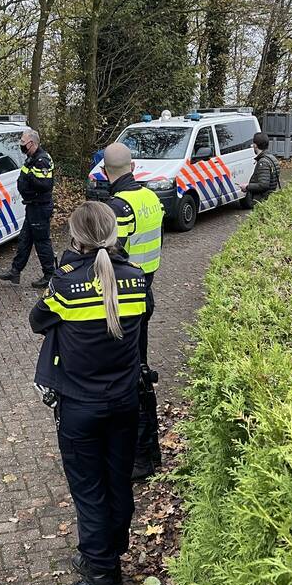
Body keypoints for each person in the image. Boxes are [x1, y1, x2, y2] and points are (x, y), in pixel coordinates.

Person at [31, 202, 148, 585]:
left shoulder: (64, 284)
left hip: (81, 405)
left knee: (89, 491)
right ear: (115, 234)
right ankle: (108, 552)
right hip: (126, 401)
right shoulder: (137, 278)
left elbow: (37, 321)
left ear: (76, 237)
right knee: (118, 482)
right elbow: (144, 315)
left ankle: (100, 578)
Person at [100, 142, 164, 482]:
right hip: (147, 290)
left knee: (130, 374)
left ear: (105, 171)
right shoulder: (150, 198)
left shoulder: (119, 206)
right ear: (133, 165)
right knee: (138, 368)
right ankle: (147, 448)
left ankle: (140, 454)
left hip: (126, 300)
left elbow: (114, 258)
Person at [0, 128, 55, 288]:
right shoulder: (31, 158)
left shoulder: (42, 160)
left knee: (42, 242)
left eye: (23, 142)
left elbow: (45, 185)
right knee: (24, 240)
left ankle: (50, 275)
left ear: (32, 143)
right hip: (32, 207)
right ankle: (15, 271)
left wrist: (29, 178)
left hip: (40, 207)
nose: (21, 145)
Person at [241, 132, 281, 202]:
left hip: (264, 200)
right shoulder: (272, 158)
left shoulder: (263, 162)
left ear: (255, 145)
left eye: (253, 144)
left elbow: (263, 185)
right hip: (270, 198)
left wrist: (247, 187)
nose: (252, 146)